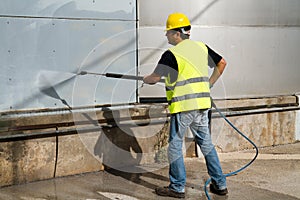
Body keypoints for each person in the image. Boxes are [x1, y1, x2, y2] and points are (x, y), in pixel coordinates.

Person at [143, 13, 228, 198]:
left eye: (168, 33)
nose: (166, 36)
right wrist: (209, 84)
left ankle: (177, 187)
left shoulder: (172, 54)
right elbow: (222, 63)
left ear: (176, 34)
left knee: (174, 145)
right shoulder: (201, 47)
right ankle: (220, 184)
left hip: (183, 106)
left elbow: (155, 78)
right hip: (202, 104)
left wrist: (146, 79)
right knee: (206, 144)